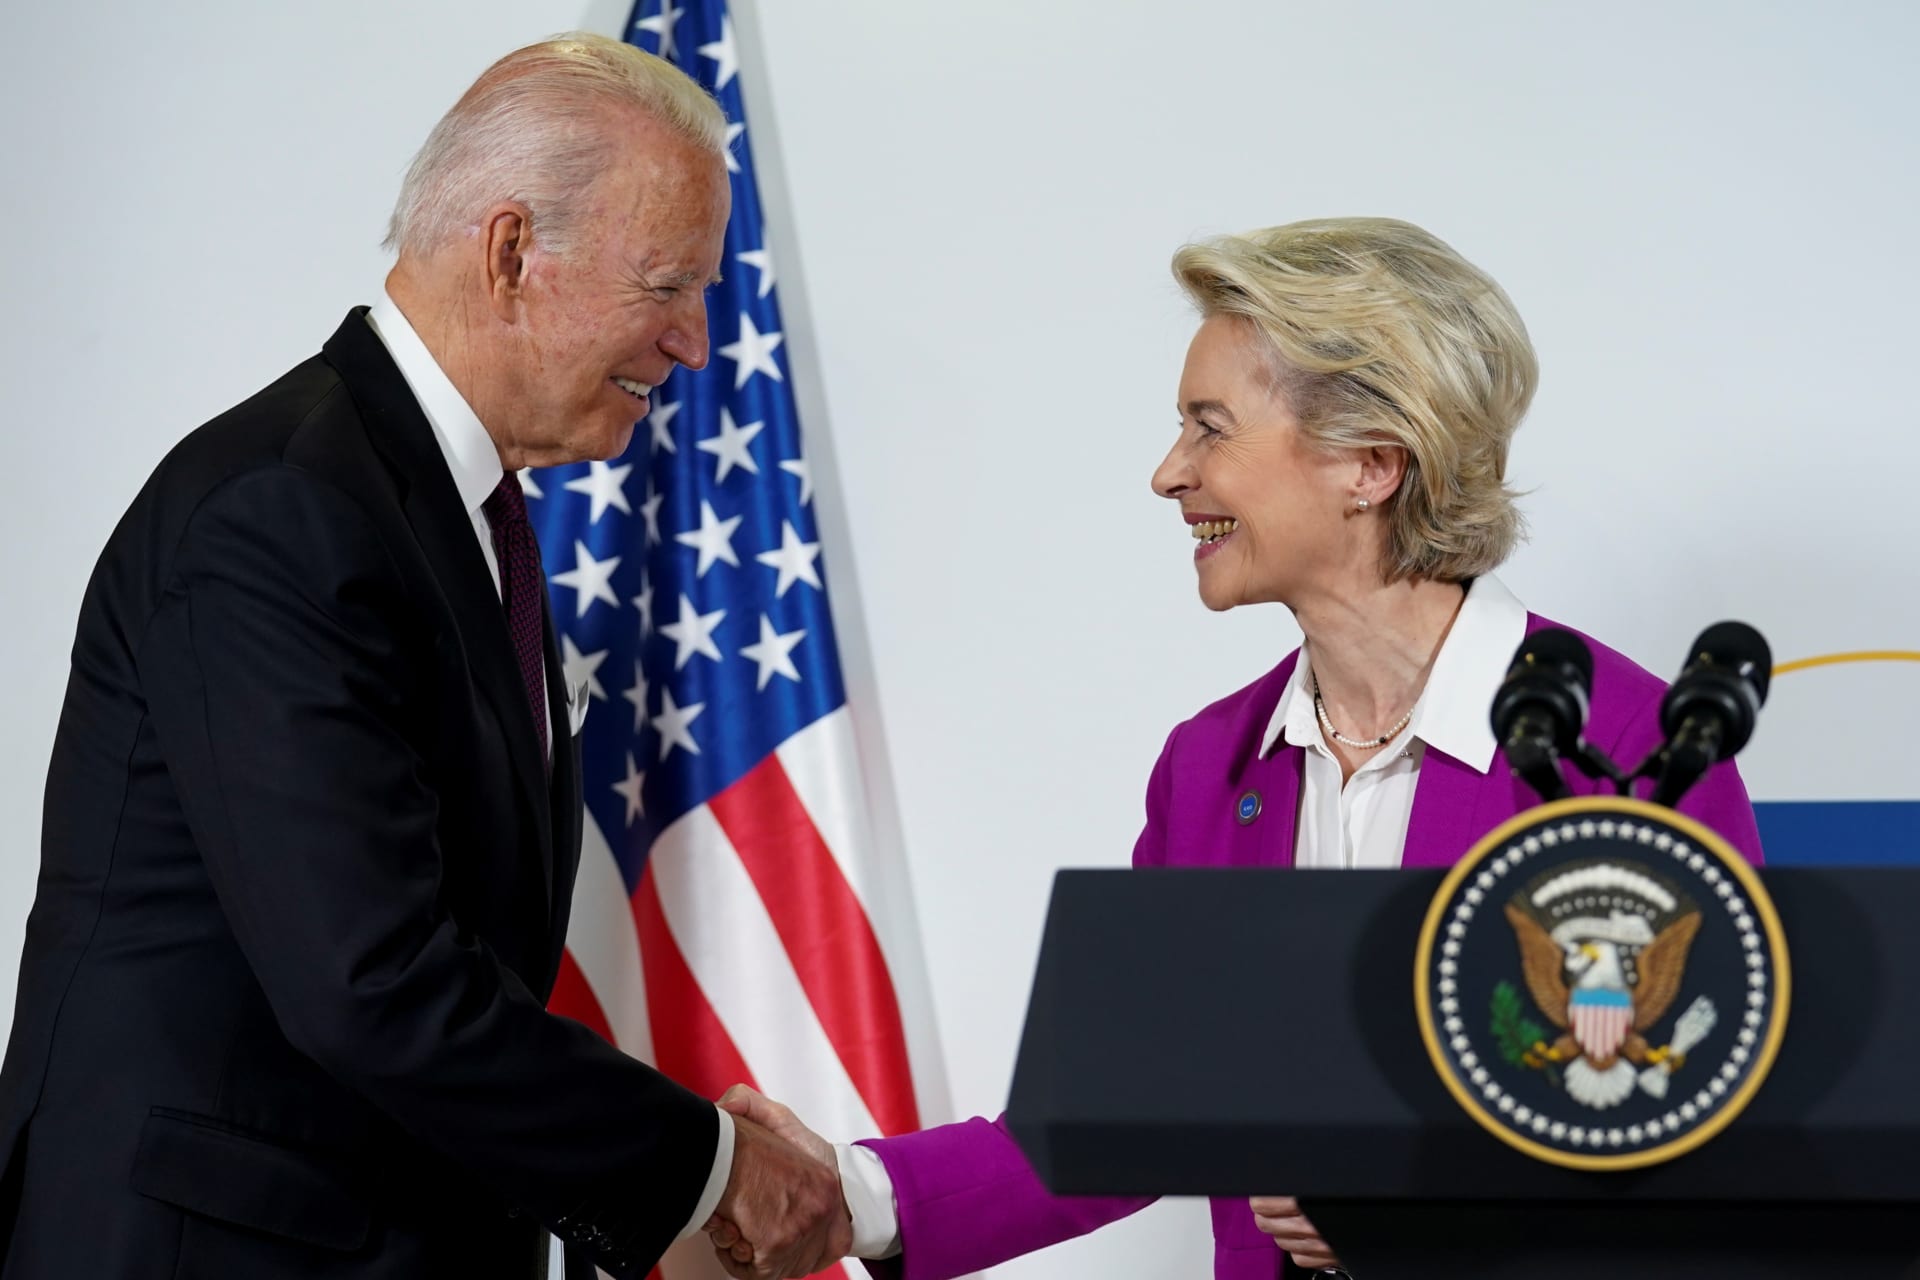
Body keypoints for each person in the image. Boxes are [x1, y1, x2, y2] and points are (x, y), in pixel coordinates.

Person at [707, 217, 1764, 1279]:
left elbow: (1701, 1145)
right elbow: (1116, 1111)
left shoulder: (1628, 748)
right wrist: (852, 1195)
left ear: (1371, 462)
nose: (1170, 473)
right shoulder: (1210, 766)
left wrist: (1432, 1210)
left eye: (1210, 427)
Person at [0, 34, 844, 1280]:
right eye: (668, 284)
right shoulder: (282, 508)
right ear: (511, 253)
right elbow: (374, 979)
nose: (697, 342)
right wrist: (708, 1166)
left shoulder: (450, 511)